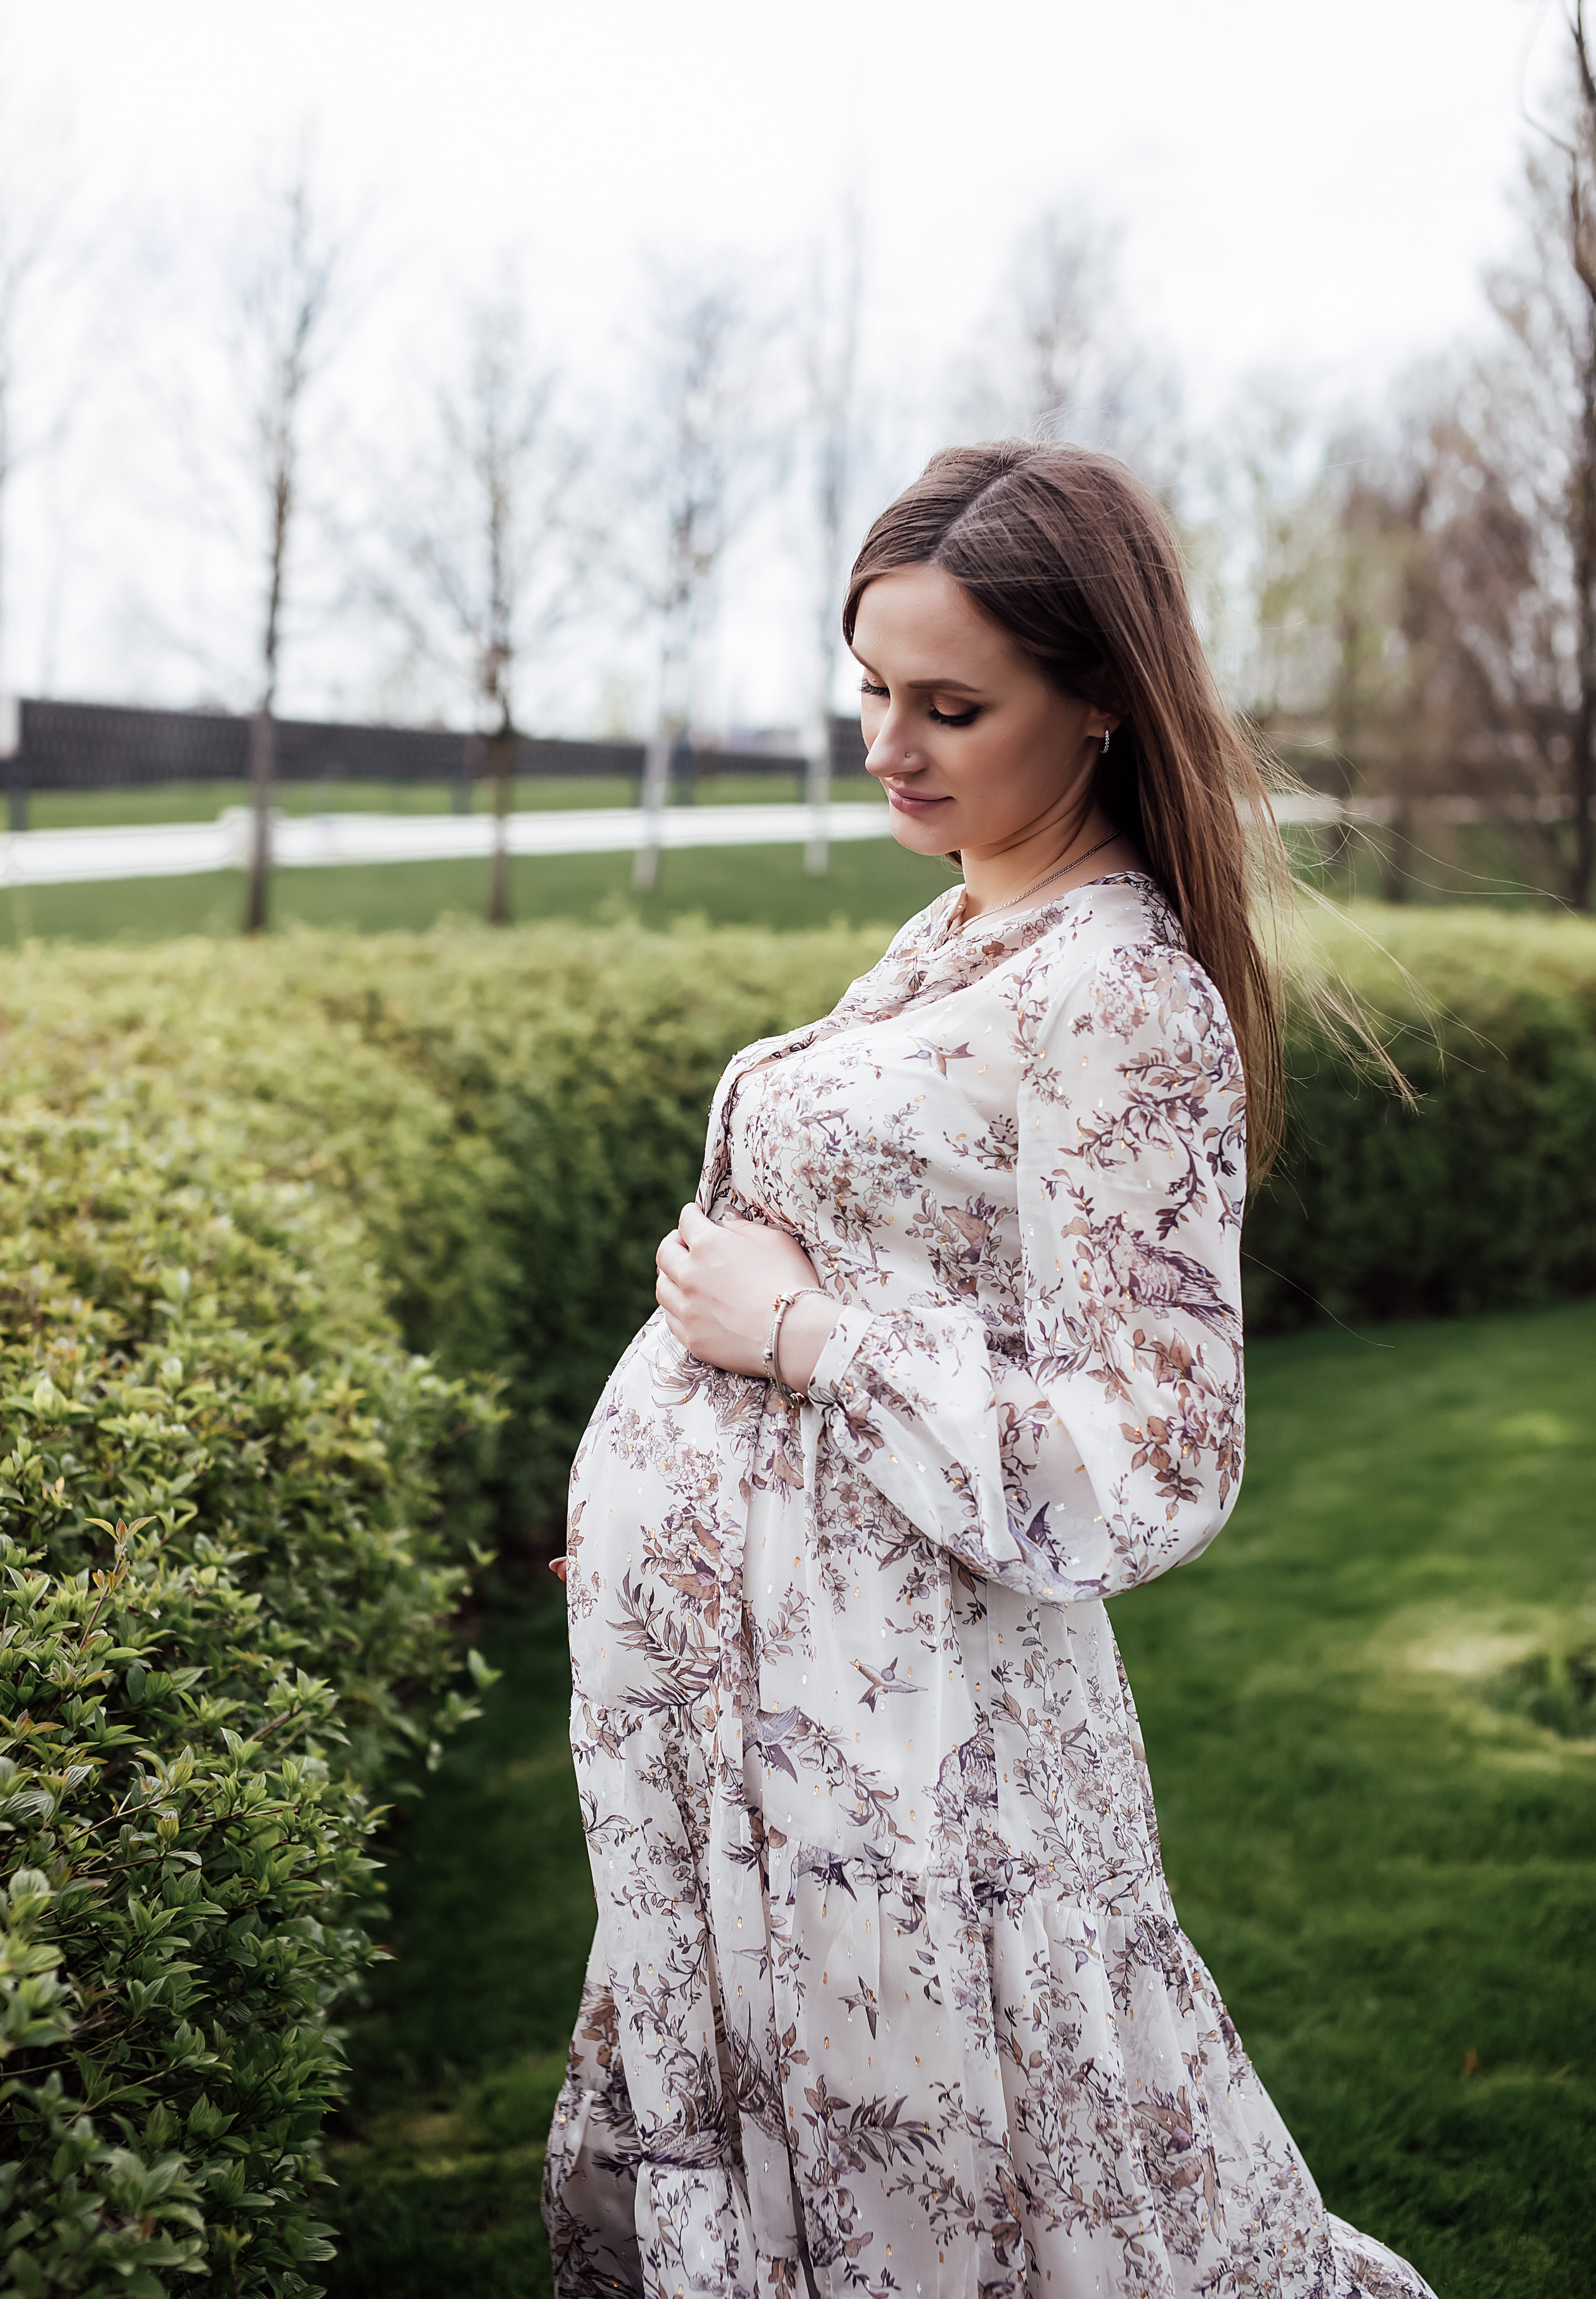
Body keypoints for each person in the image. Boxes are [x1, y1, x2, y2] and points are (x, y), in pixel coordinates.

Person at [542, 443, 1435, 2299]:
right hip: (777, 1710)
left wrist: (801, 1339)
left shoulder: (1118, 995)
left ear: (1102, 696)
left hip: (923, 1761)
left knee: (964, 2200)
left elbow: (1152, 1456)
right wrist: (698, 1533)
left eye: (954, 705)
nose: (891, 744)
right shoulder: (957, 927)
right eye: (871, 689)